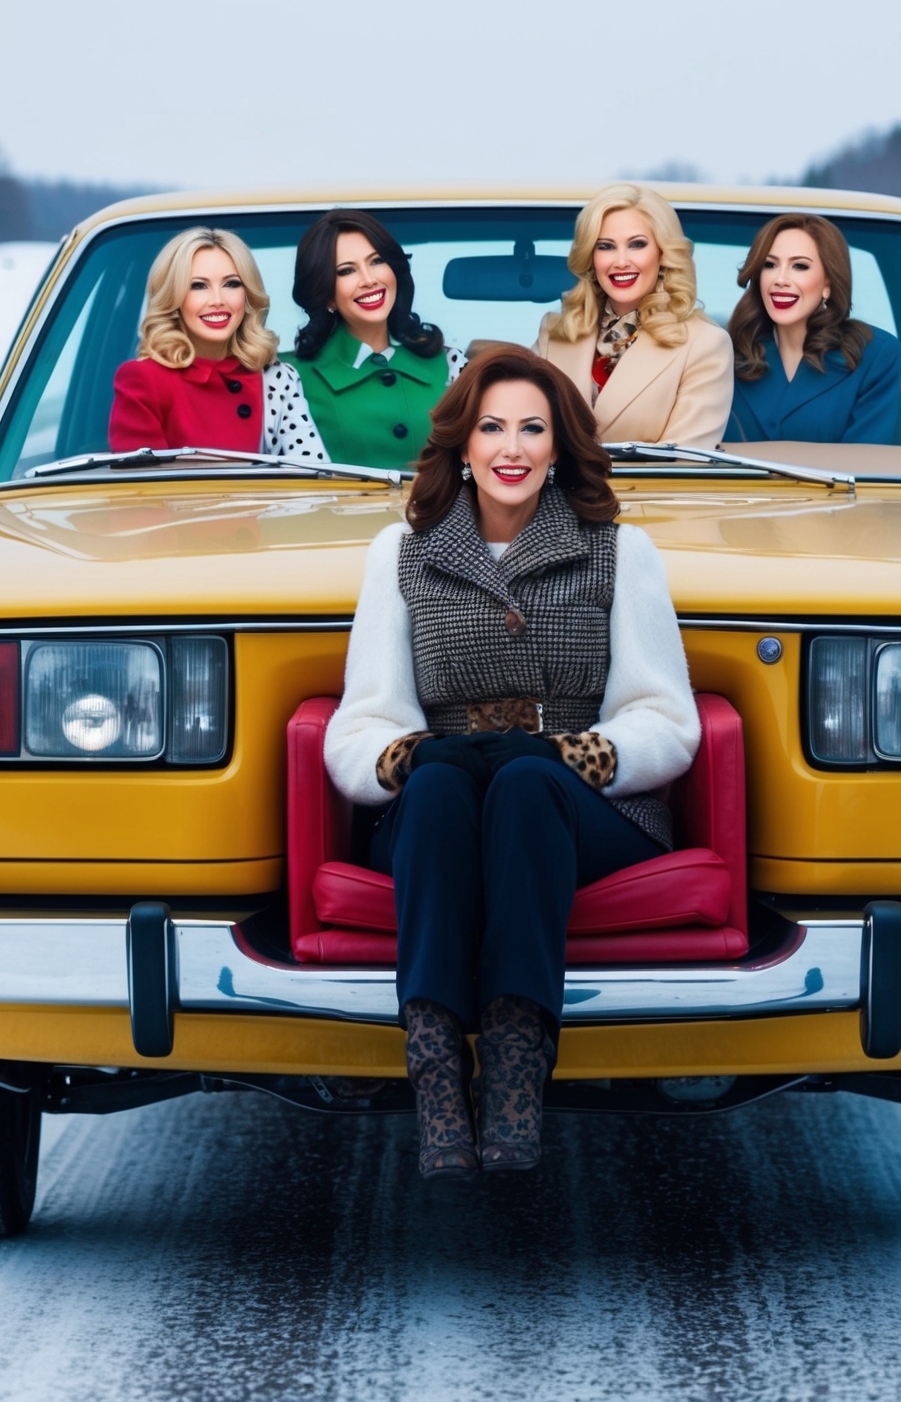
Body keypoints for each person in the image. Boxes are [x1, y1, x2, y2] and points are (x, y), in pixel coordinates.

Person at [324, 345, 699, 1178]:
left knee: (528, 781)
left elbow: (666, 720)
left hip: (582, 807)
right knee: (442, 786)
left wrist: (575, 756)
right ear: (463, 444)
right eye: (492, 427)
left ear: (559, 446)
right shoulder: (402, 552)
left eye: (533, 428)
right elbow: (362, 723)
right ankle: (439, 1092)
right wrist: (417, 757)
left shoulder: (618, 551)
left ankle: (517, 1091)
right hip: (443, 804)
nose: (512, 448)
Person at [536, 183, 732, 449]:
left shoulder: (705, 344)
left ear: (663, 253)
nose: (621, 261)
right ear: (590, 257)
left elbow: (685, 462)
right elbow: (524, 432)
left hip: (645, 492)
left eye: (637, 245)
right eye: (605, 246)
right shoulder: (555, 333)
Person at [109, 227, 328, 460]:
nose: (217, 300)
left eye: (231, 284)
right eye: (198, 286)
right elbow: (143, 492)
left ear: (248, 295)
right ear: (173, 298)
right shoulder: (144, 380)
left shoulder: (278, 378)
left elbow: (316, 478)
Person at [283, 210, 466, 471]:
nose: (369, 280)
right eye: (346, 271)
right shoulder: (290, 378)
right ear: (327, 295)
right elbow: (301, 487)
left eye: (377, 261)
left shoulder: (451, 364)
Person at [723, 213, 901, 446]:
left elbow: (864, 467)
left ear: (828, 283)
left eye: (799, 266)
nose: (780, 279)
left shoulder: (874, 355)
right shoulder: (724, 354)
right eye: (770, 265)